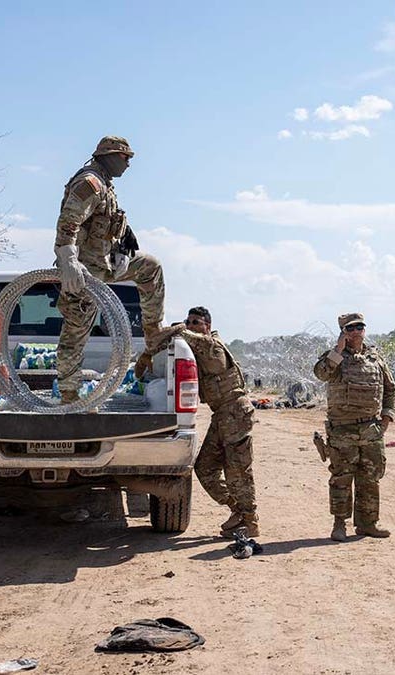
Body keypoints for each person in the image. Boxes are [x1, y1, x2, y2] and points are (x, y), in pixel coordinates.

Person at [55, 135, 165, 403]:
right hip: (84, 270)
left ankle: (154, 336)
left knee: (150, 267)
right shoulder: (90, 183)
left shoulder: (106, 185)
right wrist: (68, 258)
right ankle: (69, 395)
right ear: (110, 155)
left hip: (104, 264)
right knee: (76, 328)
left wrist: (121, 250)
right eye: (125, 157)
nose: (128, 164)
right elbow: (69, 221)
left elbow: (104, 226)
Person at [138, 307, 258, 537]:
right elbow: (175, 339)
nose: (191, 325)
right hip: (222, 416)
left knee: (238, 472)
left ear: (208, 326)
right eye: (189, 321)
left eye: (196, 322)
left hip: (235, 413)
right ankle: (238, 510)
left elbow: (181, 335)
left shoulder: (211, 346)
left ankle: (250, 521)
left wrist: (161, 341)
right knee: (204, 469)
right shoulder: (196, 347)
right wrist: (148, 354)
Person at [313, 313, 395, 542]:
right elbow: (321, 373)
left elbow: (391, 389)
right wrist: (337, 351)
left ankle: (368, 523)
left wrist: (387, 418)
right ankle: (339, 525)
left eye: (359, 327)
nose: (356, 331)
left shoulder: (375, 358)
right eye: (350, 328)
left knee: (370, 477)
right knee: (341, 478)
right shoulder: (335, 357)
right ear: (343, 332)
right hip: (342, 429)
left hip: (371, 428)